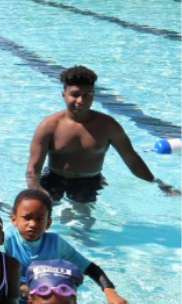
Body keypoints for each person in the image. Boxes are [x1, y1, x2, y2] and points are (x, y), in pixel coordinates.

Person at [26, 65, 178, 202]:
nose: (81, 101)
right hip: (53, 179)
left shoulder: (108, 126)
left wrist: (157, 183)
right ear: (64, 94)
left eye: (87, 95)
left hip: (89, 182)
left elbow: (131, 159)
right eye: (75, 94)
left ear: (93, 96)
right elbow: (33, 168)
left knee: (83, 222)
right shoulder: (49, 126)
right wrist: (36, 192)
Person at [5, 189, 129, 304]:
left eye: (39, 219)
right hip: (12, 300)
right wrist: (20, 286)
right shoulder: (7, 241)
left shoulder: (55, 243)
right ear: (14, 219)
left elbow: (90, 268)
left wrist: (110, 291)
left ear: (48, 223)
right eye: (27, 218)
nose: (33, 224)